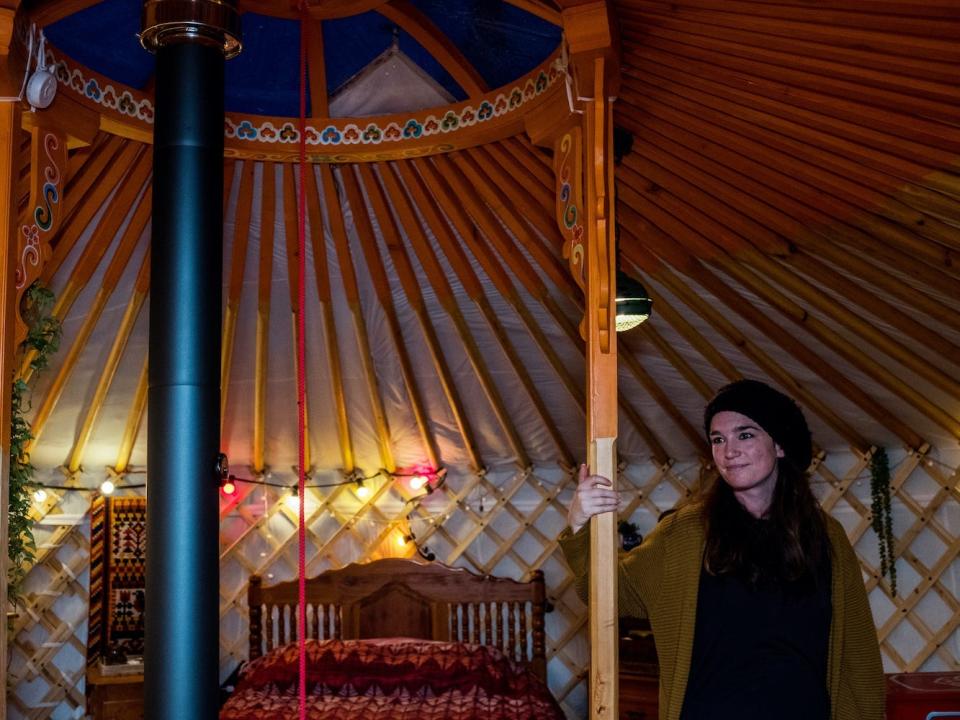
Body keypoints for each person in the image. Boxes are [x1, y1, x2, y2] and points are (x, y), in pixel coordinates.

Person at [559, 379, 884, 720]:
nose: (729, 451)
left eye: (745, 434)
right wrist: (580, 523)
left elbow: (857, 657)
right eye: (718, 439)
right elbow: (611, 593)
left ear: (780, 446)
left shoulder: (826, 536)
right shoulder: (687, 532)